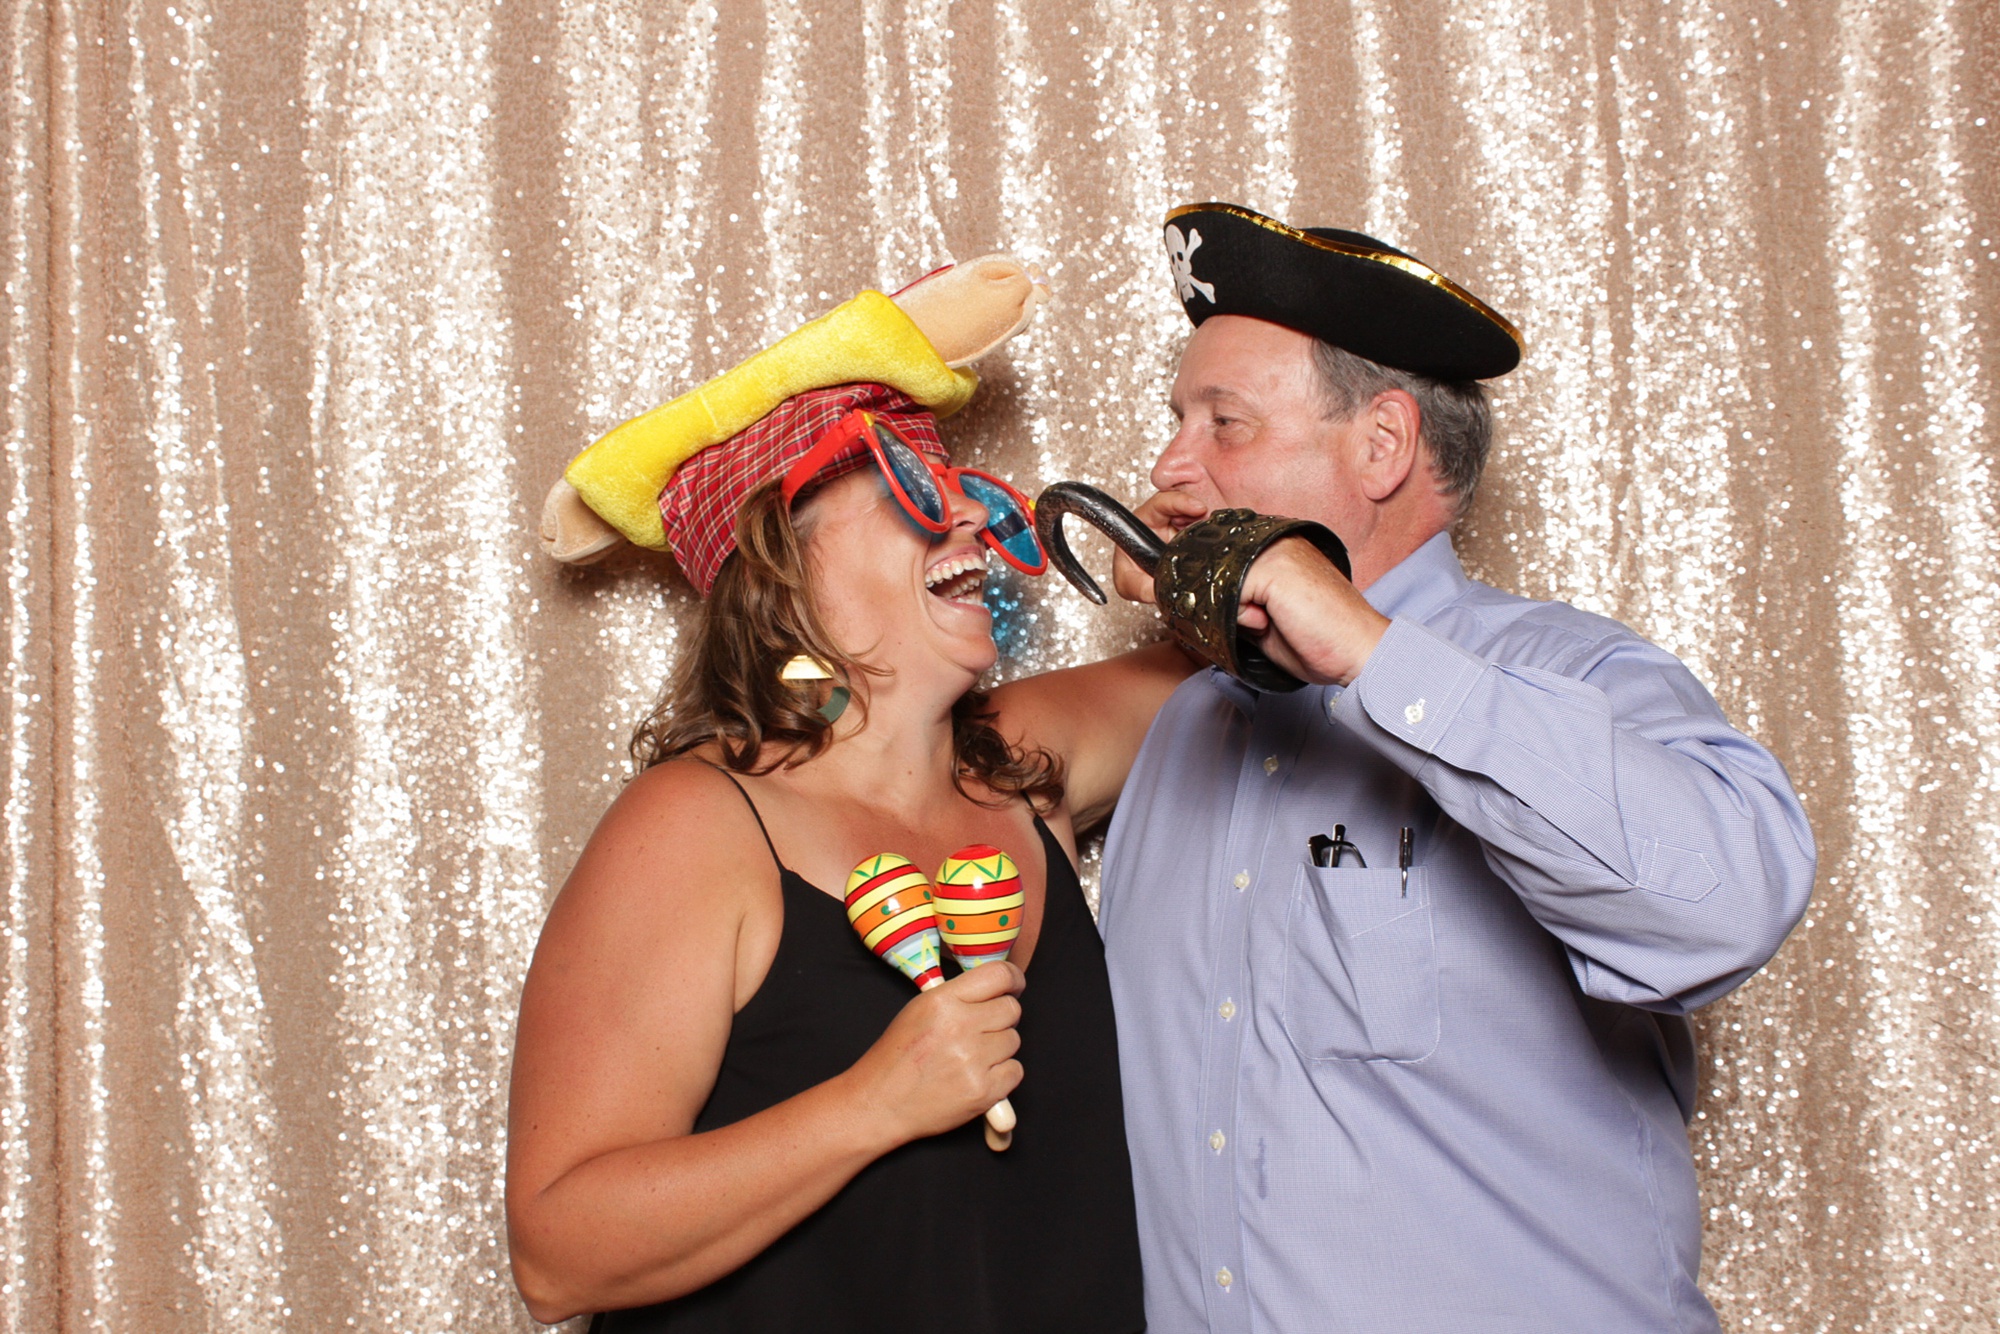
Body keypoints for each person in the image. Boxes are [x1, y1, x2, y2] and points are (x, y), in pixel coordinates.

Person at [1096, 203, 1816, 1333]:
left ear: (1381, 445)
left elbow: (1723, 905)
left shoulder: (1568, 673)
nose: (1169, 463)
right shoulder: (1187, 728)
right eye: (1176, 419)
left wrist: (1367, 655)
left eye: (1221, 423)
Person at [506, 365, 1188, 1332]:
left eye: (962, 485)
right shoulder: (695, 827)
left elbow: (1249, 651)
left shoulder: (1025, 762)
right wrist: (873, 1105)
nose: (966, 516)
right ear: (784, 567)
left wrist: (1169, 564)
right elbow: (557, 1253)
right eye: (910, 487)